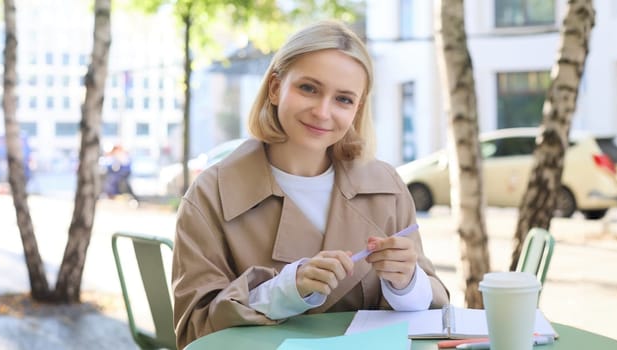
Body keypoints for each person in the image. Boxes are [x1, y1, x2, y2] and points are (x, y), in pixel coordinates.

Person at [171, 20, 450, 348]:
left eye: (343, 99)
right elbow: (194, 332)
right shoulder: (211, 195)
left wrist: (407, 282)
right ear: (275, 88)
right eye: (308, 88)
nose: (322, 111)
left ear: (357, 109)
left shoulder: (386, 187)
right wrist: (286, 289)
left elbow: (438, 303)